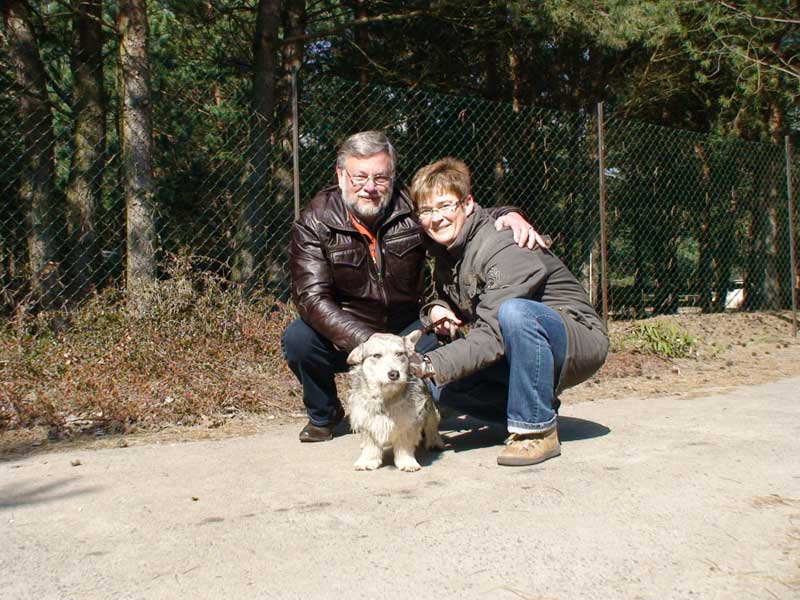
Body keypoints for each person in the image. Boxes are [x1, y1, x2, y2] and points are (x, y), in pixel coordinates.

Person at [283, 131, 543, 443]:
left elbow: (458, 213)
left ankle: (524, 412)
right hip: (348, 332)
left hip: (410, 326)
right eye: (360, 177)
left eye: (380, 177)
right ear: (340, 176)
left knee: (454, 367)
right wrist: (367, 340)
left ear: (392, 176)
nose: (370, 187)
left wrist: (509, 214)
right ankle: (325, 414)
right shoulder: (314, 222)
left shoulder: (410, 207)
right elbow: (311, 298)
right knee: (299, 338)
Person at [408, 157, 609, 466]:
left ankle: (536, 429)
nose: (436, 218)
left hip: (574, 337)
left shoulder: (503, 243)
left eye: (445, 205)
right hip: (518, 344)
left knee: (515, 313)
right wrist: (438, 308)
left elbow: (493, 335)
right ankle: (529, 408)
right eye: (426, 210)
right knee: (439, 388)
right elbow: (450, 296)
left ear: (467, 204)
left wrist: (427, 364)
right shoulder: (449, 250)